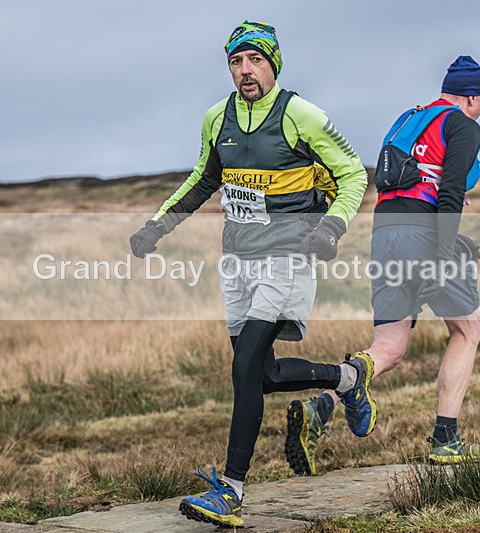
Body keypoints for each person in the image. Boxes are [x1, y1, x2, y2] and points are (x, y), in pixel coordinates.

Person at [128, 20, 374, 527]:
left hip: (288, 256)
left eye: (255, 60)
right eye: (236, 61)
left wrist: (330, 228)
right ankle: (348, 378)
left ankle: (232, 491)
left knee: (243, 371)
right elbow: (203, 180)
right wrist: (157, 227)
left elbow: (353, 173)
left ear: (273, 64)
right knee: (261, 375)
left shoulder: (300, 115)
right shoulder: (216, 118)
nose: (245, 70)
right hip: (237, 262)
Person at [285, 55, 480, 477]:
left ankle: (319, 408)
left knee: (389, 348)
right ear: (473, 98)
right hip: (422, 235)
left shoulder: (410, 119)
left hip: (385, 234)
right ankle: (446, 439)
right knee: (468, 330)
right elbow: (450, 192)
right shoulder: (462, 124)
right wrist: (442, 254)